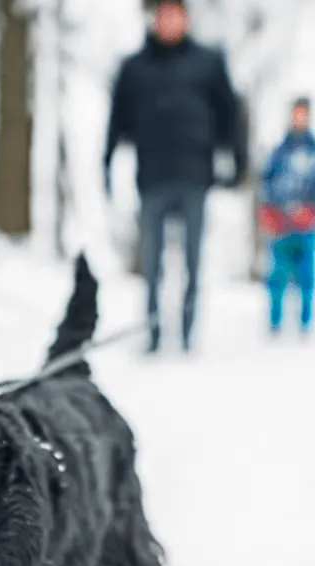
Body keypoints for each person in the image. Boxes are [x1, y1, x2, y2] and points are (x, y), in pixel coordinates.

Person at [104, 0, 247, 354]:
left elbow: (230, 116)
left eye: (175, 14)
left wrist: (238, 163)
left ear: (185, 18)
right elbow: (116, 120)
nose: (168, 20)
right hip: (151, 177)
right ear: (154, 19)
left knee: (192, 261)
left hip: (195, 177)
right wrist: (106, 164)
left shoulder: (208, 63)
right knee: (152, 265)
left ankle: (186, 332)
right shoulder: (135, 67)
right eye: (162, 14)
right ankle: (152, 332)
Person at [257, 97, 315, 338]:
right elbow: (266, 183)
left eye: (303, 114)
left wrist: (311, 211)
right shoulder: (279, 152)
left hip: (307, 225)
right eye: (296, 113)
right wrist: (271, 212)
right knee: (277, 276)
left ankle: (305, 324)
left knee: (307, 278)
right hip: (281, 224)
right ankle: (274, 323)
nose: (299, 118)